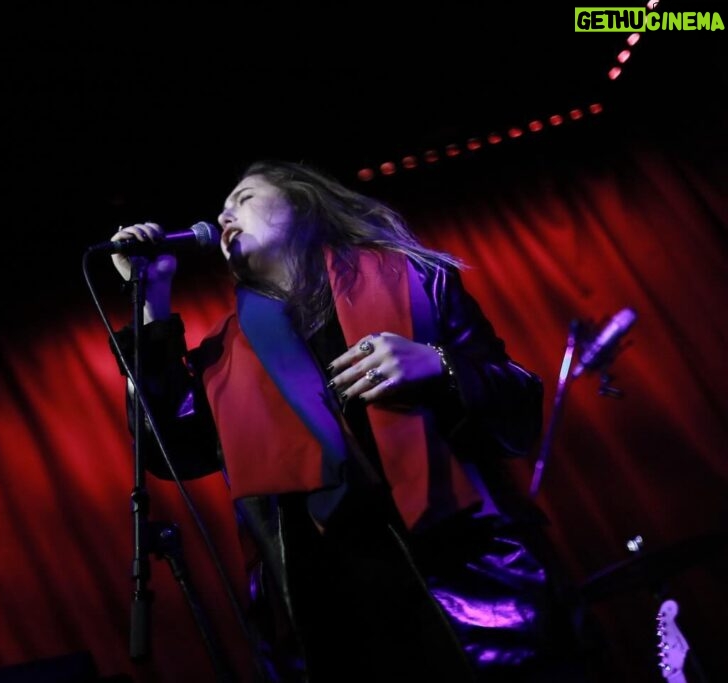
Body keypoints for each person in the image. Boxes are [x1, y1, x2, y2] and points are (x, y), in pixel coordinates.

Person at [107, 160, 585, 682]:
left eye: (243, 198)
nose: (224, 215)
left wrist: (441, 367)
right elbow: (170, 450)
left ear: (303, 203)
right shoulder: (220, 359)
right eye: (222, 208)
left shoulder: (416, 278)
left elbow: (517, 410)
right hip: (329, 622)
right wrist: (150, 302)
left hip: (468, 595)